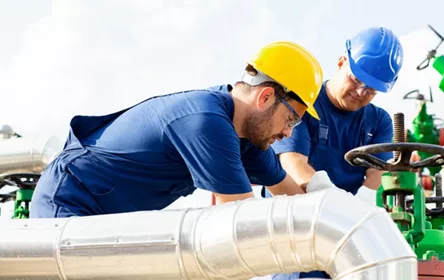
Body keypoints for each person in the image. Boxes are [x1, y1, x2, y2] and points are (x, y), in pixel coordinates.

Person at [29, 40, 324, 218]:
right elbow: (245, 221)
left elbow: (289, 193)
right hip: (72, 201)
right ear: (266, 97)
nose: (288, 133)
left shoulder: (246, 137)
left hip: (109, 219)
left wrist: (326, 198)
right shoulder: (207, 121)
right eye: (291, 120)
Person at [263, 27, 404, 279]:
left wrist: (361, 213)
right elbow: (293, 164)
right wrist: (341, 210)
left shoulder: (378, 120)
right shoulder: (304, 102)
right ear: (341, 62)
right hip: (297, 230)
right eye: (357, 80)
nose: (361, 93)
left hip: (349, 239)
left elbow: (376, 175)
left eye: (371, 90)